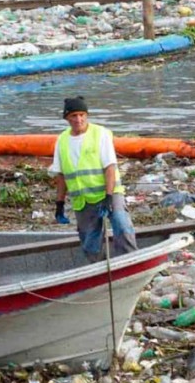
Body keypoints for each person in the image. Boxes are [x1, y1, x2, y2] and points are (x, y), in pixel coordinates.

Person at [48, 96, 138, 262]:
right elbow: (61, 175)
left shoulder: (100, 134)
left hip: (108, 192)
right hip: (83, 199)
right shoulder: (62, 141)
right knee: (90, 240)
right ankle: (98, 269)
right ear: (67, 118)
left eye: (82, 115)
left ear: (87, 115)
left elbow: (110, 167)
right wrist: (59, 204)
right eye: (73, 116)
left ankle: (130, 260)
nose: (78, 119)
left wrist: (109, 197)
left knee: (121, 225)